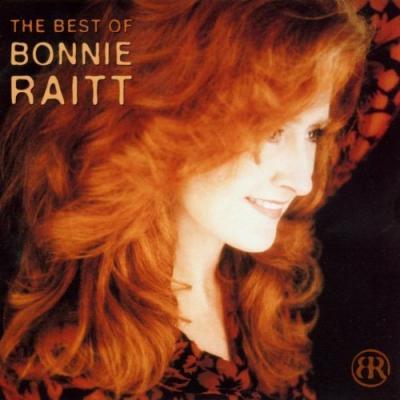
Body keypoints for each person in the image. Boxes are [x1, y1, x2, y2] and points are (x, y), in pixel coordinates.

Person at [0, 0, 395, 399]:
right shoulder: (70, 369)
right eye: (270, 129)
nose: (302, 180)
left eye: (313, 133)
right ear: (169, 120)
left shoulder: (254, 287)